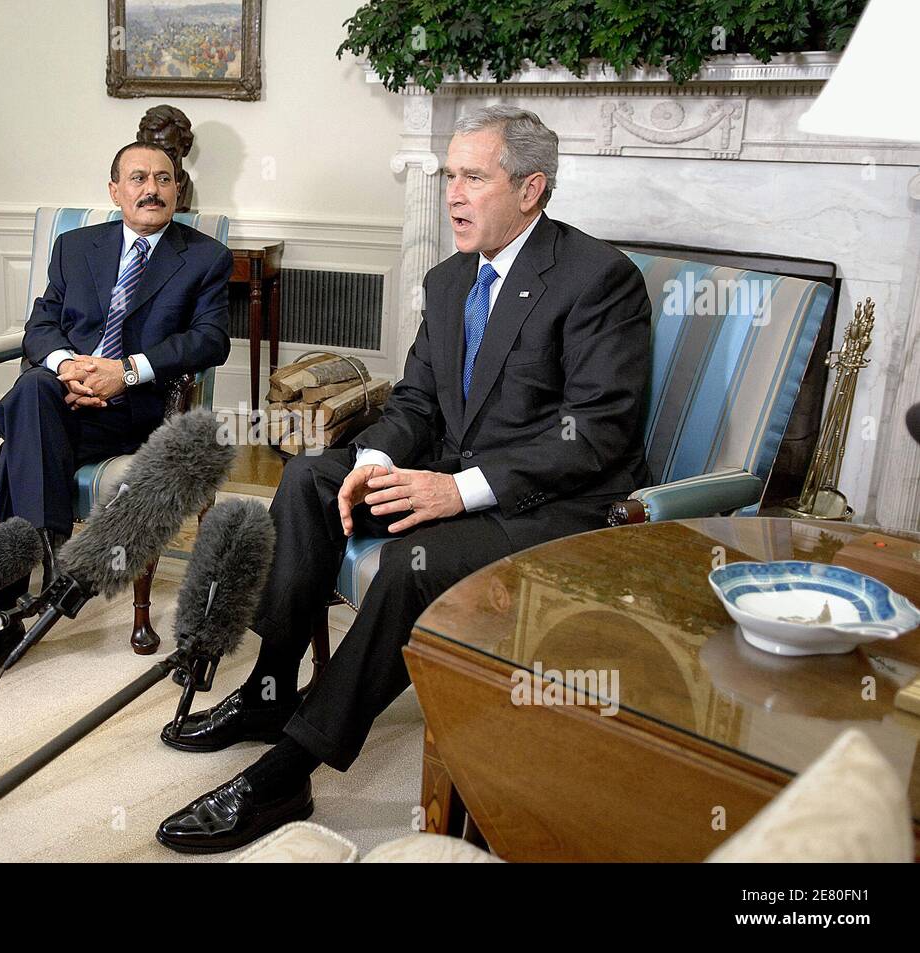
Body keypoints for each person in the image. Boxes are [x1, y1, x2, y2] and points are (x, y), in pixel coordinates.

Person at [155, 105, 653, 853]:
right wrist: (377, 462)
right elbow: (417, 401)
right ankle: (268, 686)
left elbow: (598, 431)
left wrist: (459, 489)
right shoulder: (451, 279)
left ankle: (291, 766)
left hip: (558, 509)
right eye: (450, 174)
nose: (453, 194)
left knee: (410, 568)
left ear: (531, 189)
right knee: (310, 482)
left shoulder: (598, 278)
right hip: (453, 477)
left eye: (474, 177)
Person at [0, 141, 232, 689]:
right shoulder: (74, 247)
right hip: (61, 400)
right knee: (34, 391)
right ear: (114, 189)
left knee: (21, 439)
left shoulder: (205, 256)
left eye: (164, 180)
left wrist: (128, 371)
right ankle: (46, 561)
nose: (151, 189)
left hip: (134, 411)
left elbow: (211, 340)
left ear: (178, 191)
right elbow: (39, 326)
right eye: (138, 178)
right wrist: (69, 366)